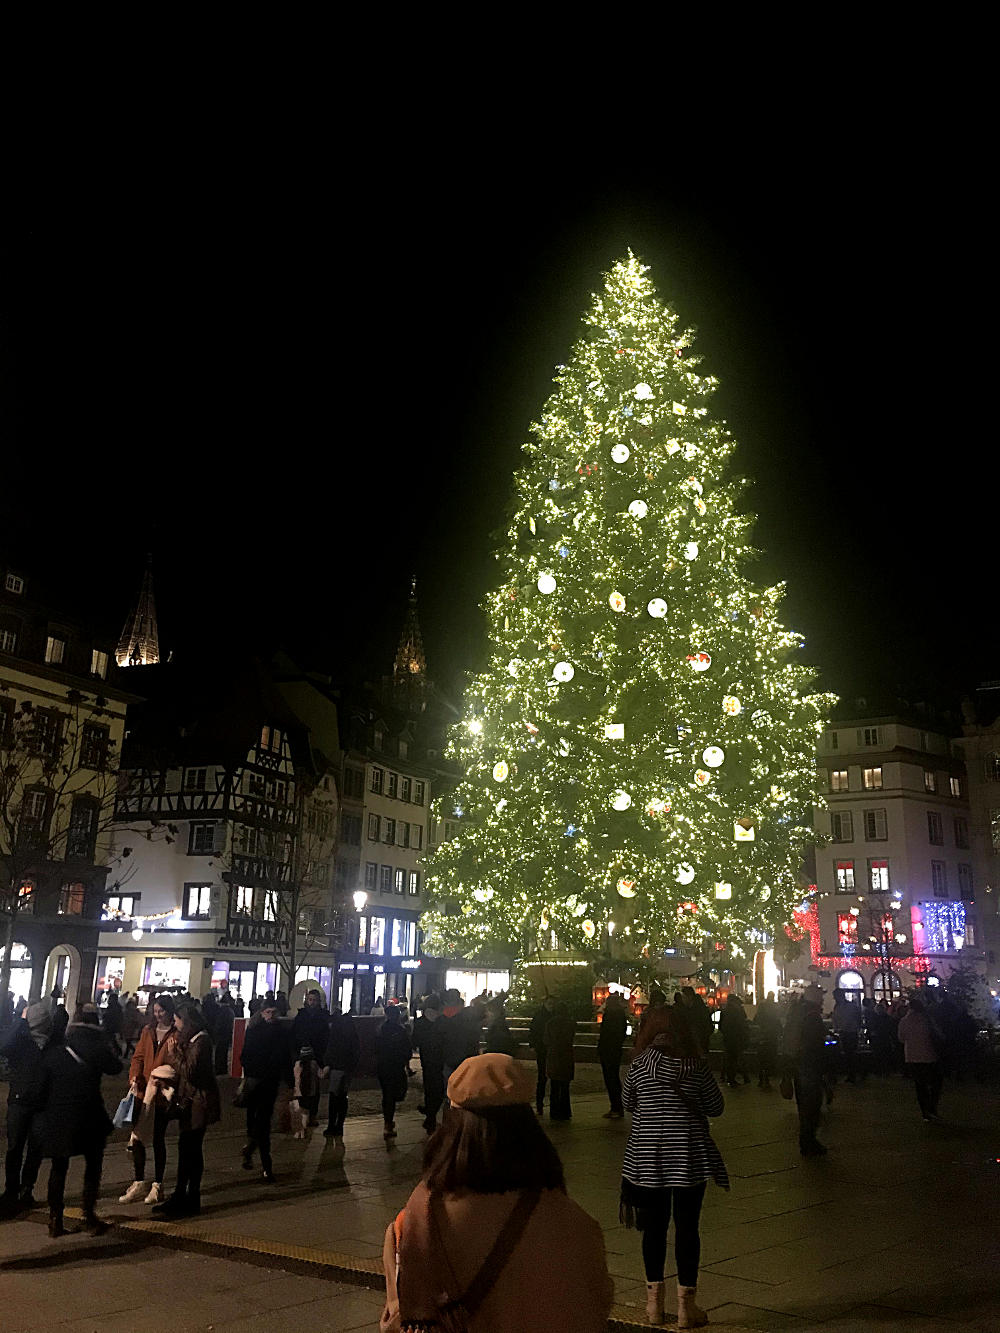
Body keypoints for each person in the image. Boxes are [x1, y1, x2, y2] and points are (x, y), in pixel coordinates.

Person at [380, 1054, 613, 1332]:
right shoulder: (574, 1224)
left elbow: (399, 1318)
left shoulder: (414, 1226)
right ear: (529, 1132)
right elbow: (596, 1306)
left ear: (452, 1129)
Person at [621, 1005, 728, 1328]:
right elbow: (716, 1107)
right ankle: (686, 1307)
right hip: (688, 1157)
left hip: (647, 1157)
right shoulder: (695, 1067)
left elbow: (628, 1103)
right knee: (687, 1229)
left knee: (653, 1230)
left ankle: (653, 1305)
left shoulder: (638, 1066)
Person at [34, 1003, 122, 1237]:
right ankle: (89, 1216)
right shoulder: (97, 1047)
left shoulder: (58, 1048)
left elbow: (43, 1085)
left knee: (59, 1167)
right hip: (89, 1114)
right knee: (93, 1166)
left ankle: (55, 1218)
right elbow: (116, 1067)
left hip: (59, 1116)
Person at [152, 1003, 220, 1217]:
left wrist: (173, 1053)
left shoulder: (202, 1041)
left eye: (178, 1020)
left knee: (191, 1149)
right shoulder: (192, 1040)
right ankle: (181, 1195)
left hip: (198, 1103)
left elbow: (191, 1071)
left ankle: (191, 1197)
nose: (175, 1024)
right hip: (189, 1102)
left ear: (187, 1020)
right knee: (185, 1149)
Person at [120, 993, 180, 1206]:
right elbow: (137, 1056)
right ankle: (139, 1181)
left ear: (169, 1010)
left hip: (162, 1094)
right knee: (137, 1137)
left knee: (158, 1139)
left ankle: (158, 1184)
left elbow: (177, 1063)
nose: (158, 1014)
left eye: (161, 1010)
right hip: (143, 1092)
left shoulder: (176, 1034)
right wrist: (134, 1076)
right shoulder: (148, 1031)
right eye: (155, 1011)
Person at [0, 1001, 54, 1216]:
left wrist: (22, 1020)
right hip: (21, 1102)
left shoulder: (52, 1043)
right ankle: (13, 1189)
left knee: (33, 1149)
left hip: (38, 1104)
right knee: (16, 1148)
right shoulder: (22, 1041)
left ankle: (25, 1188)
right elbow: (3, 1045)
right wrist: (20, 1022)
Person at [240, 994, 290, 1182]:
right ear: (262, 1013)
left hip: (269, 1082)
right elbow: (245, 1056)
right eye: (268, 1012)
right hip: (256, 1082)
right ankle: (256, 1154)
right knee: (257, 1123)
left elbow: (285, 1057)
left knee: (263, 1123)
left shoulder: (279, 1031)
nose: (271, 1015)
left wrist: (288, 1080)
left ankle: (263, 1162)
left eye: (273, 1012)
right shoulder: (254, 1030)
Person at [789, 986, 829, 1156]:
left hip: (802, 1067)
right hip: (809, 1068)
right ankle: (808, 1141)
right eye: (820, 996)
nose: (822, 999)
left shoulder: (801, 1015)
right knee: (811, 1107)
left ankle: (807, 1140)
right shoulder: (812, 1018)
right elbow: (814, 1045)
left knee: (807, 1107)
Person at [897, 995, 944, 1122]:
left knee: (920, 1085)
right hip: (929, 1055)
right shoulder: (926, 1019)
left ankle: (925, 1112)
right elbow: (937, 1035)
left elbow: (901, 1038)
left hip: (912, 1056)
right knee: (935, 1082)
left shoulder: (904, 1021)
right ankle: (932, 1107)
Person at [291, 989, 330, 1128]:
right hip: (301, 1056)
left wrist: (321, 1057)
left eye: (314, 1000)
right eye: (310, 1000)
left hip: (315, 1057)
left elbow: (325, 1038)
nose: (312, 1003)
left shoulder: (322, 1017)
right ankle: (302, 1114)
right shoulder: (301, 1016)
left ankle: (312, 1115)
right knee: (300, 1086)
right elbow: (294, 1035)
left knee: (314, 1089)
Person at [323, 1008, 361, 1149]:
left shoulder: (335, 1032)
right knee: (342, 1097)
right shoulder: (351, 1031)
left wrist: (328, 1063)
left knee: (334, 1097)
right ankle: (339, 1125)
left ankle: (331, 1125)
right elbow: (356, 1050)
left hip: (337, 1068)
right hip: (347, 1068)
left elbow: (331, 1049)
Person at [412, 994, 447, 1135]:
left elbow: (415, 1041)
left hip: (426, 1058)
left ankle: (429, 1113)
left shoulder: (420, 1022)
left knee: (429, 1086)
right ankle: (430, 1114)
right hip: (440, 1058)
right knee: (438, 1089)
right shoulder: (442, 1021)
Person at [377, 1005, 413, 1141]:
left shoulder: (380, 1030)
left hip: (383, 1066)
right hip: (395, 1067)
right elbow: (407, 1050)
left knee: (387, 1095)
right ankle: (388, 1123)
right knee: (394, 1094)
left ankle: (388, 1122)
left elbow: (375, 1048)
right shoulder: (401, 1031)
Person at [597, 993, 629, 1119]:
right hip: (616, 1050)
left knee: (610, 1079)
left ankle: (616, 1107)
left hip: (608, 1050)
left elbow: (605, 1034)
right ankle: (618, 1106)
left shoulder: (610, 1015)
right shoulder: (620, 1015)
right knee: (614, 1077)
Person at [544, 1002, 576, 1121]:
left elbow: (546, 1039)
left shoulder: (551, 1023)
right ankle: (565, 1111)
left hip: (554, 1055)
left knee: (555, 1085)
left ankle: (554, 1111)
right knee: (565, 1085)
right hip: (566, 1055)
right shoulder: (571, 1023)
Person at [529, 996, 556, 1115]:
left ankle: (541, 1103)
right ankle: (541, 1103)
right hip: (545, 1049)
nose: (551, 1005)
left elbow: (533, 1031)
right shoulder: (549, 1016)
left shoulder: (540, 1015)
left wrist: (533, 1045)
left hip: (545, 1049)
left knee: (544, 1077)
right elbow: (534, 1031)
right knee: (543, 1077)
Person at [719, 995, 751, 1087]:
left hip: (728, 1038)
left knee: (730, 1058)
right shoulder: (737, 1011)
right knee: (736, 1058)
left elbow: (721, 1026)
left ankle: (729, 1077)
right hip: (736, 1038)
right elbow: (742, 1023)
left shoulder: (725, 1011)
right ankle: (739, 1077)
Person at [832, 991, 862, 1083]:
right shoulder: (842, 1006)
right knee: (849, 1054)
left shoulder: (845, 1006)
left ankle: (853, 1074)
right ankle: (852, 1074)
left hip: (850, 1032)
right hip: (845, 1032)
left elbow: (856, 1017)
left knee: (850, 1054)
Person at [291, 1045, 321, 1139]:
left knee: (301, 1110)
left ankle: (300, 1128)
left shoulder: (297, 1064)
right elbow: (320, 1075)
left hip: (298, 1092)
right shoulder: (314, 1064)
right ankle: (309, 1122)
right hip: (311, 1092)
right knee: (308, 1109)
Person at [753, 992, 781, 1090]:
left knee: (762, 1059)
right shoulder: (774, 1008)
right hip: (772, 1037)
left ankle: (761, 1079)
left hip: (762, 1036)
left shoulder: (762, 1007)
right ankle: (767, 1078)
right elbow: (778, 1022)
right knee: (770, 1058)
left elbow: (755, 1019)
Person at [679, 987, 713, 1058]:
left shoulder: (697, 1011)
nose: (682, 1000)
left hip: (699, 1044)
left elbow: (699, 1028)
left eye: (684, 997)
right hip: (696, 1044)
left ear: (690, 997)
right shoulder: (693, 1009)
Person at [213, 992, 234, 1075]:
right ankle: (223, 1069)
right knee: (224, 1053)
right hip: (227, 1034)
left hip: (221, 1034)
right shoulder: (230, 1011)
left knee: (219, 1053)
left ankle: (219, 1069)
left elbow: (219, 1023)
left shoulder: (222, 1011)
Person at [102, 991, 124, 1055]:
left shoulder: (113, 1007)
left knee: (111, 1041)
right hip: (114, 1027)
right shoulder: (118, 1007)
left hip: (111, 1027)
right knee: (112, 1041)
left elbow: (109, 1017)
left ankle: (116, 1052)